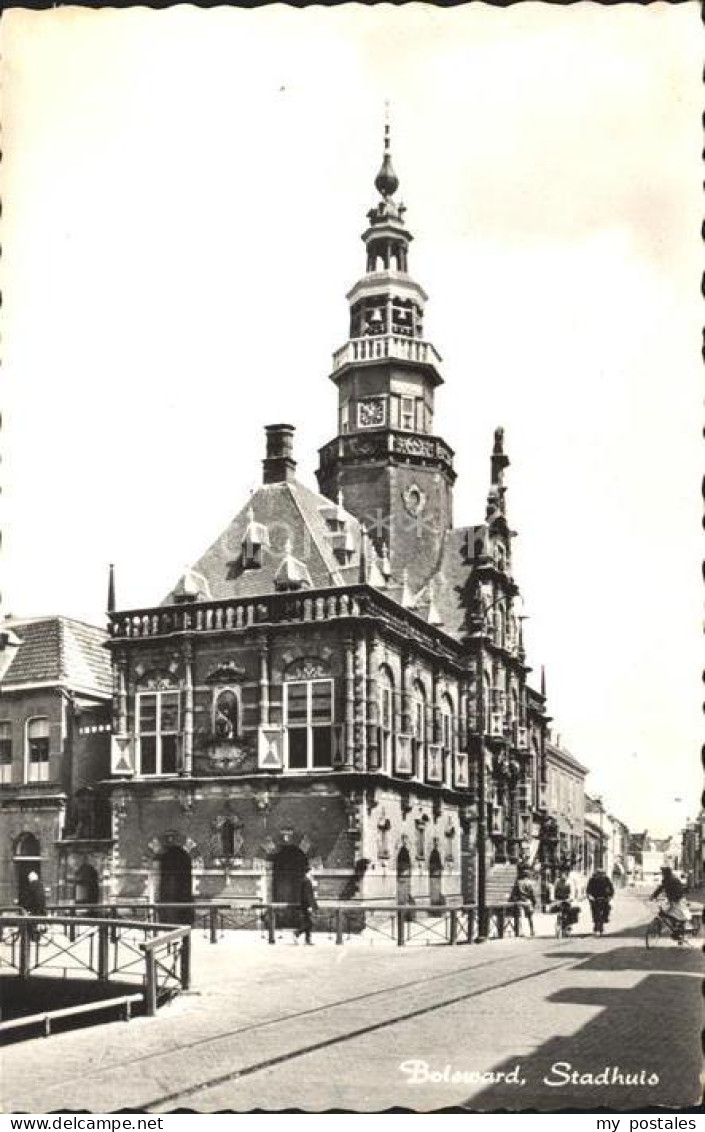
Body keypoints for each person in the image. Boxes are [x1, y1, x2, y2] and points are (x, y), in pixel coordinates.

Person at [651, 866, 691, 942]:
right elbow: (660, 888)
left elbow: (680, 891)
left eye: (663, 873)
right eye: (662, 873)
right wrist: (653, 896)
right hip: (672, 901)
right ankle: (675, 931)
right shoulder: (665, 880)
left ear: (667, 873)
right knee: (669, 914)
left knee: (681, 916)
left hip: (679, 900)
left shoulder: (675, 880)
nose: (663, 874)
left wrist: (675, 899)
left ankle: (682, 934)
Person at [293, 863, 318, 945]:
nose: (313, 873)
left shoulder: (305, 880)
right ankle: (297, 933)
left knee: (308, 922)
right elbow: (307, 895)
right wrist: (310, 906)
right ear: (309, 871)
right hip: (307, 906)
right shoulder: (306, 881)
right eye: (312, 871)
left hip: (306, 905)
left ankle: (308, 940)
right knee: (310, 922)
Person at [586, 867, 614, 933]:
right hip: (595, 898)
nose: (600, 875)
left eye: (602, 874)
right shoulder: (592, 880)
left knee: (608, 907)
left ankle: (605, 918)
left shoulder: (606, 880)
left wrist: (610, 896)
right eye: (599, 874)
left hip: (604, 897)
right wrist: (590, 897)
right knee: (594, 909)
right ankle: (595, 922)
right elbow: (588, 890)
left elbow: (611, 889)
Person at [21, 871, 47, 941]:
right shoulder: (41, 885)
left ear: (30, 879)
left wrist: (25, 906)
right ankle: (37, 938)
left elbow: (30, 898)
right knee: (38, 923)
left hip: (34, 909)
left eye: (29, 879)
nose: (29, 880)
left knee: (31, 923)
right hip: (41, 909)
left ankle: (33, 938)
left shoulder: (32, 885)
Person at [511, 868, 536, 937]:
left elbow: (514, 892)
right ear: (527, 876)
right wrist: (534, 902)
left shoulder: (518, 882)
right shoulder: (529, 883)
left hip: (520, 901)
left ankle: (521, 932)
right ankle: (532, 931)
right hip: (528, 901)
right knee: (530, 917)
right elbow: (532, 894)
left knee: (520, 917)